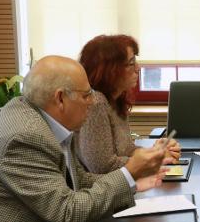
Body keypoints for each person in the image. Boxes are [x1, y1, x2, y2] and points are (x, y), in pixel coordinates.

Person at [0, 56, 167, 222]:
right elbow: (66, 213)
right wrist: (127, 173)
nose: (93, 101)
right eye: (86, 95)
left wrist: (132, 183)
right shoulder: (25, 137)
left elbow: (77, 180)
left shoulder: (48, 120)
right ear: (60, 98)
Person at [77, 34, 180, 174]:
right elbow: (102, 167)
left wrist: (155, 152)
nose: (138, 68)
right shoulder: (96, 103)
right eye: (131, 63)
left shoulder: (116, 99)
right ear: (110, 70)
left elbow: (127, 151)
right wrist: (155, 160)